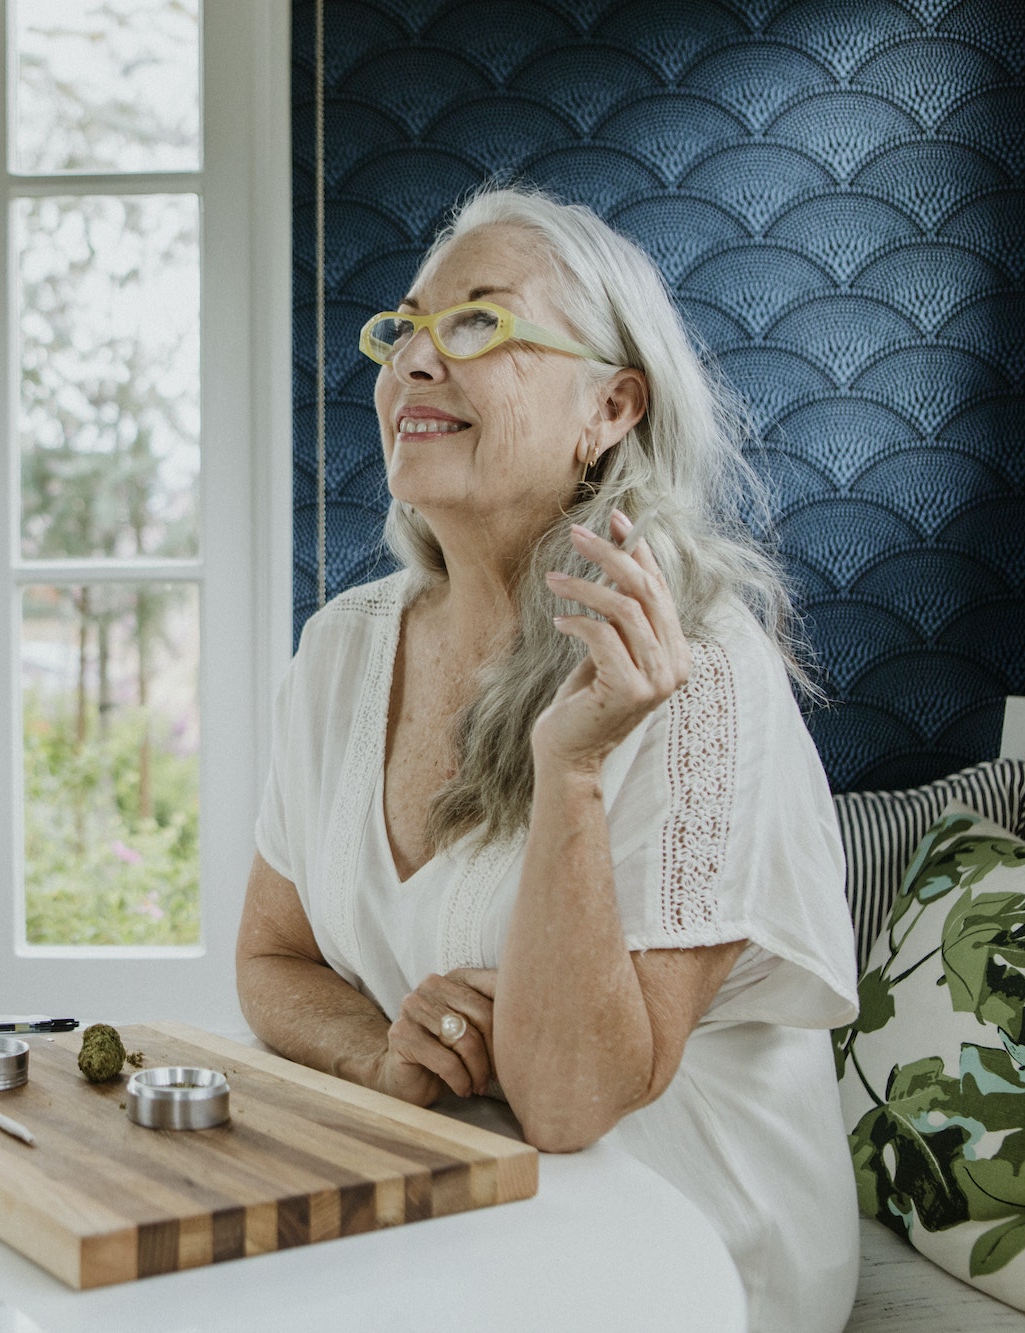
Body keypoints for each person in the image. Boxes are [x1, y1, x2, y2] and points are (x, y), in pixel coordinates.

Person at [236, 184, 860, 1331]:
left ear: (609, 408)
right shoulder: (338, 648)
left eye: (478, 323)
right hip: (457, 1207)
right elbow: (270, 960)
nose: (415, 360)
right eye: (406, 326)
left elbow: (570, 1101)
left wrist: (569, 770)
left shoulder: (700, 665)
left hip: (689, 1245)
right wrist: (379, 1053)